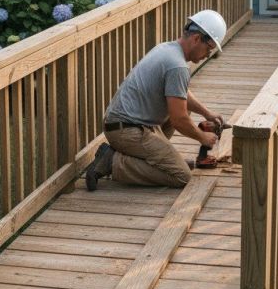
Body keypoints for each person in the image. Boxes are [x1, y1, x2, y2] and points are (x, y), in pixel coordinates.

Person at [85, 10, 227, 191]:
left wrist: (206, 113)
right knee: (181, 175)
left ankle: (153, 158)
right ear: (197, 38)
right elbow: (179, 120)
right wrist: (203, 137)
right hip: (126, 131)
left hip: (123, 123)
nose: (208, 54)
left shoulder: (167, 48)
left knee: (183, 106)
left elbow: (180, 92)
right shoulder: (177, 66)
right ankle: (112, 161)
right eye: (209, 48)